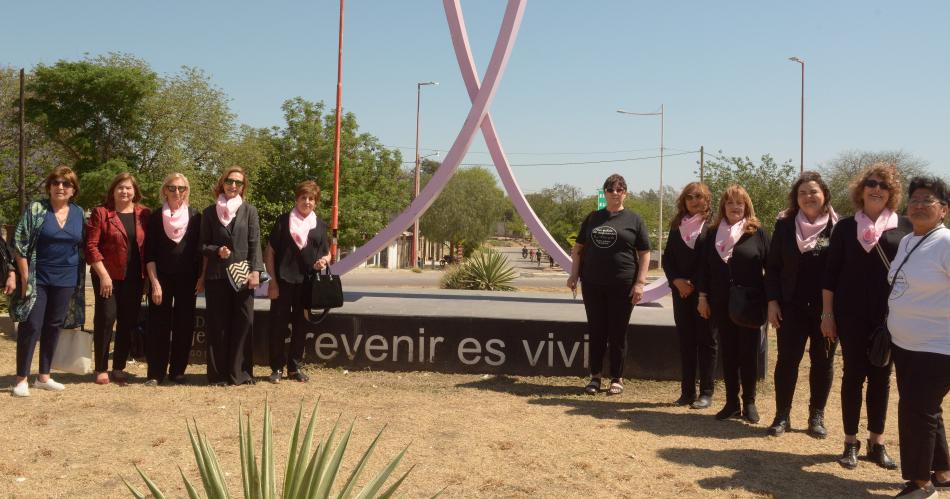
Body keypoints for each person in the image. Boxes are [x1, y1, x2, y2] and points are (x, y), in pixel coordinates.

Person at [821, 162, 910, 470]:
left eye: (883, 186)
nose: (876, 189)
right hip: (851, 314)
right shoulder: (845, 227)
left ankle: (877, 441)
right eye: (871, 183)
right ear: (861, 189)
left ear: (892, 193)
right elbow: (830, 276)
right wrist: (827, 314)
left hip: (890, 316)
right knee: (853, 376)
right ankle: (849, 442)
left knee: (882, 378)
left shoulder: (905, 227)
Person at [887, 176, 950, 498]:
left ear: (944, 210)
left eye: (928, 201)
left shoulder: (946, 243)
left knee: (916, 410)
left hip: (937, 347)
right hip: (906, 344)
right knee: (926, 409)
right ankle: (941, 472)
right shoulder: (910, 240)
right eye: (914, 200)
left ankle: (920, 484)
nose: (919, 206)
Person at [765, 172, 839, 438]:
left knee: (823, 362)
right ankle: (781, 415)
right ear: (796, 199)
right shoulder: (784, 226)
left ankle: (816, 416)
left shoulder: (838, 227)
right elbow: (772, 267)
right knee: (787, 361)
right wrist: (772, 302)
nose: (809, 197)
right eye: (802, 193)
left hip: (826, 311)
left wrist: (831, 312)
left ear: (824, 195)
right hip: (790, 306)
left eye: (814, 191)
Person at [567, 174, 651, 396]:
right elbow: (578, 248)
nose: (615, 193)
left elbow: (644, 253)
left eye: (619, 189)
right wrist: (574, 275)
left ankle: (617, 377)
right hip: (593, 284)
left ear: (626, 193)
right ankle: (595, 376)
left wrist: (640, 283)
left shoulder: (635, 220)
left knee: (617, 332)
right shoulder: (593, 218)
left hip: (622, 285)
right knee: (596, 330)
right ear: (604, 193)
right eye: (611, 189)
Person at [10, 166, 86, 397]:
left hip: (66, 278)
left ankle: (44, 377)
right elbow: (20, 243)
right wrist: (23, 275)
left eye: (66, 184)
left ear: (73, 190)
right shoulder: (36, 209)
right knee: (31, 325)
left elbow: (81, 246)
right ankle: (21, 379)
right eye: (56, 182)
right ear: (49, 186)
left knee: (54, 326)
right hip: (37, 277)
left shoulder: (78, 212)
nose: (60, 187)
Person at [696, 185, 769, 424]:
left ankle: (749, 402)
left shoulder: (757, 233)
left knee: (748, 354)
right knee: (728, 353)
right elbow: (704, 270)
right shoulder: (711, 233)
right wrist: (703, 297)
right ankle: (731, 403)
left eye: (739, 203)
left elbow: (772, 269)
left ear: (746, 206)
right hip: (720, 303)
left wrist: (770, 301)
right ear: (723, 207)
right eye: (730, 203)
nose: (735, 207)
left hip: (749, 304)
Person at [200, 166, 264, 386]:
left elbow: (255, 243)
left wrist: (256, 271)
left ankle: (241, 373)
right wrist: (216, 250)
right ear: (222, 183)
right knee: (218, 324)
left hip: (244, 276)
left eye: (238, 182)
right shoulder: (209, 213)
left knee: (244, 321)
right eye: (229, 181)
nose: (233, 186)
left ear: (243, 187)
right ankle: (218, 375)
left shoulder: (250, 211)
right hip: (217, 276)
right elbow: (202, 245)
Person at [85, 172, 150, 386]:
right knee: (106, 319)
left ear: (135, 191)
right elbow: (91, 246)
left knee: (127, 322)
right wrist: (103, 275)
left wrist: (149, 279)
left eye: (128, 188)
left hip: (134, 278)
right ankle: (101, 368)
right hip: (107, 277)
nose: (124, 191)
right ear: (113, 191)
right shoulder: (101, 213)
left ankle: (119, 366)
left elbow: (148, 249)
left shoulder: (144, 214)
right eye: (120, 187)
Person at [264, 180, 330, 384]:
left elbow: (327, 253)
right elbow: (269, 253)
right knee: (278, 326)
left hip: (307, 285)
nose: (307, 202)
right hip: (283, 282)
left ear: (316, 202)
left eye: (311, 199)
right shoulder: (283, 221)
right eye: (303, 198)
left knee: (301, 327)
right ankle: (276, 368)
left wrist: (324, 261)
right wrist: (272, 282)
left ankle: (294, 368)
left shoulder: (320, 225)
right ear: (297, 199)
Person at [143, 173, 203, 386]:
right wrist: (155, 283)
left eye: (181, 188)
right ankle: (155, 374)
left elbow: (201, 251)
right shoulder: (155, 216)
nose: (177, 192)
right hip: (162, 280)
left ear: (186, 191)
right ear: (164, 190)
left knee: (184, 325)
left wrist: (202, 277)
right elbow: (149, 255)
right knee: (158, 325)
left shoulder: (196, 217)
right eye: (172, 187)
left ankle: (177, 371)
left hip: (188, 280)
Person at [662, 182, 717, 409]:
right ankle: (687, 392)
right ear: (683, 201)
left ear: (707, 200)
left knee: (707, 342)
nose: (694, 201)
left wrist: (693, 284)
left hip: (705, 293)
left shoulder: (714, 225)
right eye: (689, 197)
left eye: (699, 197)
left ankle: (706, 393)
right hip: (680, 293)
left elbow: (710, 261)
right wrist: (677, 281)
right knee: (686, 342)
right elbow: (668, 259)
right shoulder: (677, 226)